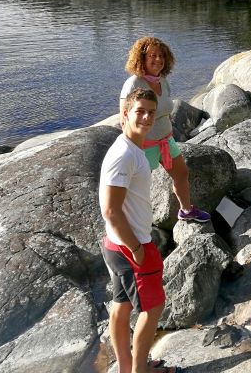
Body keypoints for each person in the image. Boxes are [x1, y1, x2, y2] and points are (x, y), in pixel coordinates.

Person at [100, 88, 174, 373]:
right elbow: (110, 210)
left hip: (116, 244)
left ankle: (126, 366)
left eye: (151, 113)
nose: (145, 117)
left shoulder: (132, 148)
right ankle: (140, 370)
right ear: (125, 114)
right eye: (139, 111)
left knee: (121, 305)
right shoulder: (124, 155)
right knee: (152, 308)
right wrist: (137, 249)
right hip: (131, 247)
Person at [121, 37, 209, 223]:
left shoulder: (162, 80)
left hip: (166, 141)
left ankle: (186, 211)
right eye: (152, 55)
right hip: (144, 146)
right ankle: (132, 224)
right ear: (141, 58)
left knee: (182, 173)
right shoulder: (134, 84)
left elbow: (164, 109)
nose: (158, 60)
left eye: (161, 55)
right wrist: (133, 148)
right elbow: (124, 119)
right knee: (138, 188)